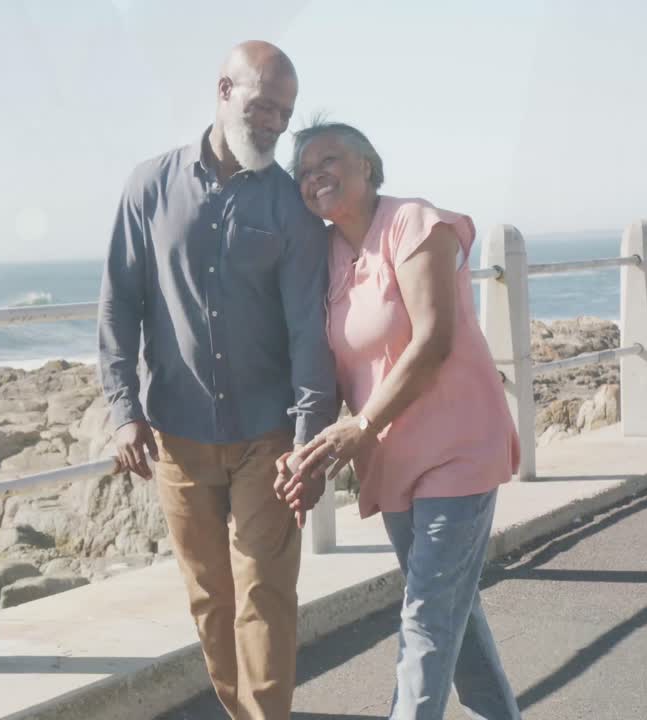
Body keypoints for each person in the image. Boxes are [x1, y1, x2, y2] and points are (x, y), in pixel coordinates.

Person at [97, 40, 336, 718]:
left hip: (269, 437)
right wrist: (123, 409)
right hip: (177, 433)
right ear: (224, 91)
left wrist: (310, 442)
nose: (274, 126)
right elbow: (120, 302)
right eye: (263, 107)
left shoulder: (292, 208)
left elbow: (307, 333)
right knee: (211, 602)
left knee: (264, 595)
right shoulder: (148, 187)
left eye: (284, 115)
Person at [278, 121, 522, 719]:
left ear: (368, 165)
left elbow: (433, 339)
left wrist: (359, 427)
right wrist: (308, 450)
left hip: (457, 451)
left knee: (426, 621)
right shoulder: (329, 254)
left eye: (329, 160)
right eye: (305, 172)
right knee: (448, 615)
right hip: (392, 465)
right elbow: (334, 366)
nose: (316, 177)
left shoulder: (414, 222)